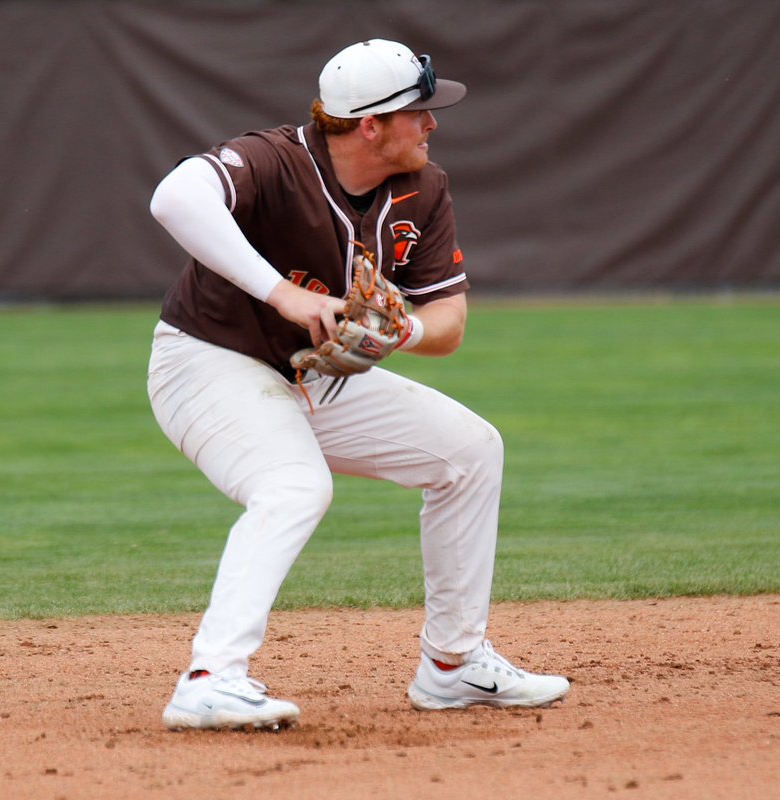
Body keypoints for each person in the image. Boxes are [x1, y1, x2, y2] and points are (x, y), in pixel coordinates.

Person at [147, 39, 570, 730]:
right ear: (369, 124)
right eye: (418, 112)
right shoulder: (277, 160)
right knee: (294, 486)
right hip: (208, 361)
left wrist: (403, 333)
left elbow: (449, 322)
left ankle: (453, 665)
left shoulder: (423, 189)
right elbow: (174, 199)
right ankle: (209, 678)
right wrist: (281, 293)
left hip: (317, 377)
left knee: (469, 451)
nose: (432, 123)